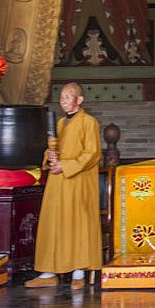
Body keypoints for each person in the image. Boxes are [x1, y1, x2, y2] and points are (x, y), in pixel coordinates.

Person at [25, 84, 102, 289]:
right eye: (62, 97)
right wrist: (49, 157)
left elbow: (92, 154)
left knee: (77, 224)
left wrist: (65, 166)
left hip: (77, 180)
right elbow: (53, 150)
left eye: (69, 97)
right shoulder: (59, 123)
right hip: (57, 182)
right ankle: (49, 272)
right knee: (53, 223)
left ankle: (78, 273)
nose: (63, 100)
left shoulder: (89, 122)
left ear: (80, 99)